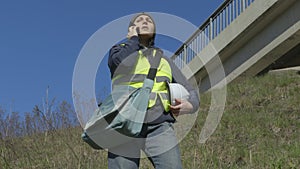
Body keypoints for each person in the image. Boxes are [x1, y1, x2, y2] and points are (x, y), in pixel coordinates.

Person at [107, 12, 199, 169]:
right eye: (139, 20)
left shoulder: (164, 60)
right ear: (131, 29)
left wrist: (190, 105)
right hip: (123, 122)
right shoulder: (119, 50)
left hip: (159, 125)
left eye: (148, 20)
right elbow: (120, 63)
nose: (144, 21)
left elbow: (190, 91)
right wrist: (133, 40)